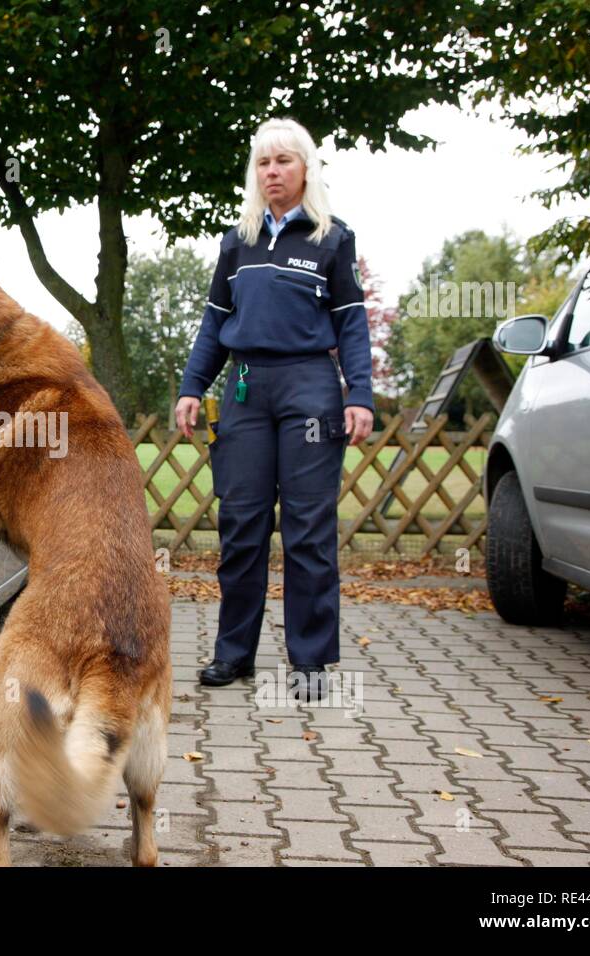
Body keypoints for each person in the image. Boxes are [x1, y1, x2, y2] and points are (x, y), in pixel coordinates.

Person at [174, 117, 374, 702]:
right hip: (244, 392)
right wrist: (193, 386)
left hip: (310, 388)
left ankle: (310, 661)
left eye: (284, 161)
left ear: (305, 169)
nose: (272, 172)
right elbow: (214, 321)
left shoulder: (333, 239)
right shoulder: (237, 242)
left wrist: (358, 393)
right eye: (263, 163)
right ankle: (232, 654)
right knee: (241, 528)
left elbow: (352, 323)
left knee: (309, 532)